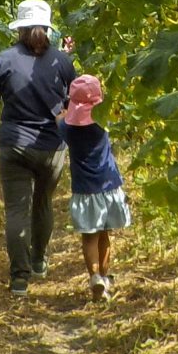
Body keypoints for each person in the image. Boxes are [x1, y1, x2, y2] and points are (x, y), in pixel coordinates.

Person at [0, 0, 76, 296]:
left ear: (19, 28)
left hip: (13, 144)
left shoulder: (4, 59)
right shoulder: (62, 62)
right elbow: (73, 103)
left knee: (16, 210)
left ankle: (19, 279)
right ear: (48, 29)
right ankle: (38, 261)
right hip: (52, 146)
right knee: (43, 202)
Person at [59, 74, 129, 302]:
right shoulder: (103, 122)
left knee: (89, 238)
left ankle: (94, 277)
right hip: (109, 185)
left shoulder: (67, 128)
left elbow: (59, 119)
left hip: (85, 190)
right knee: (105, 236)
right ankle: (105, 278)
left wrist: (65, 110)